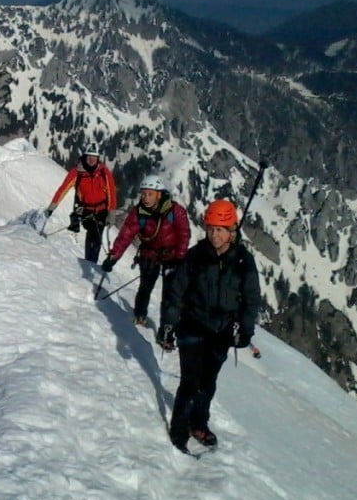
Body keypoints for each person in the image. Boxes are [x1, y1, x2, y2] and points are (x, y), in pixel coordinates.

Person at [156, 199, 262, 452]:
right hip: (192, 325)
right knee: (190, 381)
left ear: (231, 231)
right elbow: (176, 291)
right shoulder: (196, 256)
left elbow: (251, 297)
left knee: (208, 381)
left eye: (220, 229)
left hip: (222, 330)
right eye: (211, 228)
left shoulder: (242, 261)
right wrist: (168, 324)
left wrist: (246, 329)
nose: (214, 235)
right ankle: (179, 431)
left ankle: (199, 423)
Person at [100, 173, 190, 326]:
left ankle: (166, 328)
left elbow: (184, 234)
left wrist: (180, 258)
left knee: (170, 294)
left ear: (159, 194)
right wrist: (113, 257)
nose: (146, 198)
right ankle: (140, 315)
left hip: (172, 256)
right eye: (144, 194)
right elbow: (126, 235)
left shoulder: (175, 211)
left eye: (150, 194)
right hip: (150, 254)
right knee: (145, 288)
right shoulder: (138, 212)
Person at [44, 146, 117, 263]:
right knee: (93, 235)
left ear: (98, 158)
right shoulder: (77, 172)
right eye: (89, 157)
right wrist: (51, 208)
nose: (92, 160)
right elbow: (63, 189)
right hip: (86, 210)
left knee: (95, 237)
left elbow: (111, 192)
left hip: (101, 211)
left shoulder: (104, 172)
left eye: (95, 157)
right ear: (85, 157)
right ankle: (90, 264)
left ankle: (90, 263)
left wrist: (111, 213)